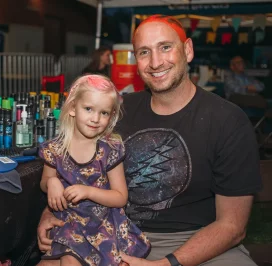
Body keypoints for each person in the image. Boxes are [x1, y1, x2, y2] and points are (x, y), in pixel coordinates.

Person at [37, 14, 262, 266]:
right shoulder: (115, 112)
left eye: (165, 47)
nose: (155, 62)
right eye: (144, 52)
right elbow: (75, 168)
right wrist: (52, 212)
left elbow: (232, 226)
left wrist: (165, 264)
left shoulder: (228, 120)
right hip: (114, 231)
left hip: (199, 243)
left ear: (187, 50)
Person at [38, 74, 151, 266]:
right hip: (69, 222)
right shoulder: (55, 150)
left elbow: (120, 196)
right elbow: (44, 181)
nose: (96, 119)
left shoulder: (110, 149)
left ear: (111, 116)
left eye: (104, 113)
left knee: (69, 260)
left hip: (100, 224)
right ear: (73, 108)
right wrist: (52, 182)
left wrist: (88, 191)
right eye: (89, 109)